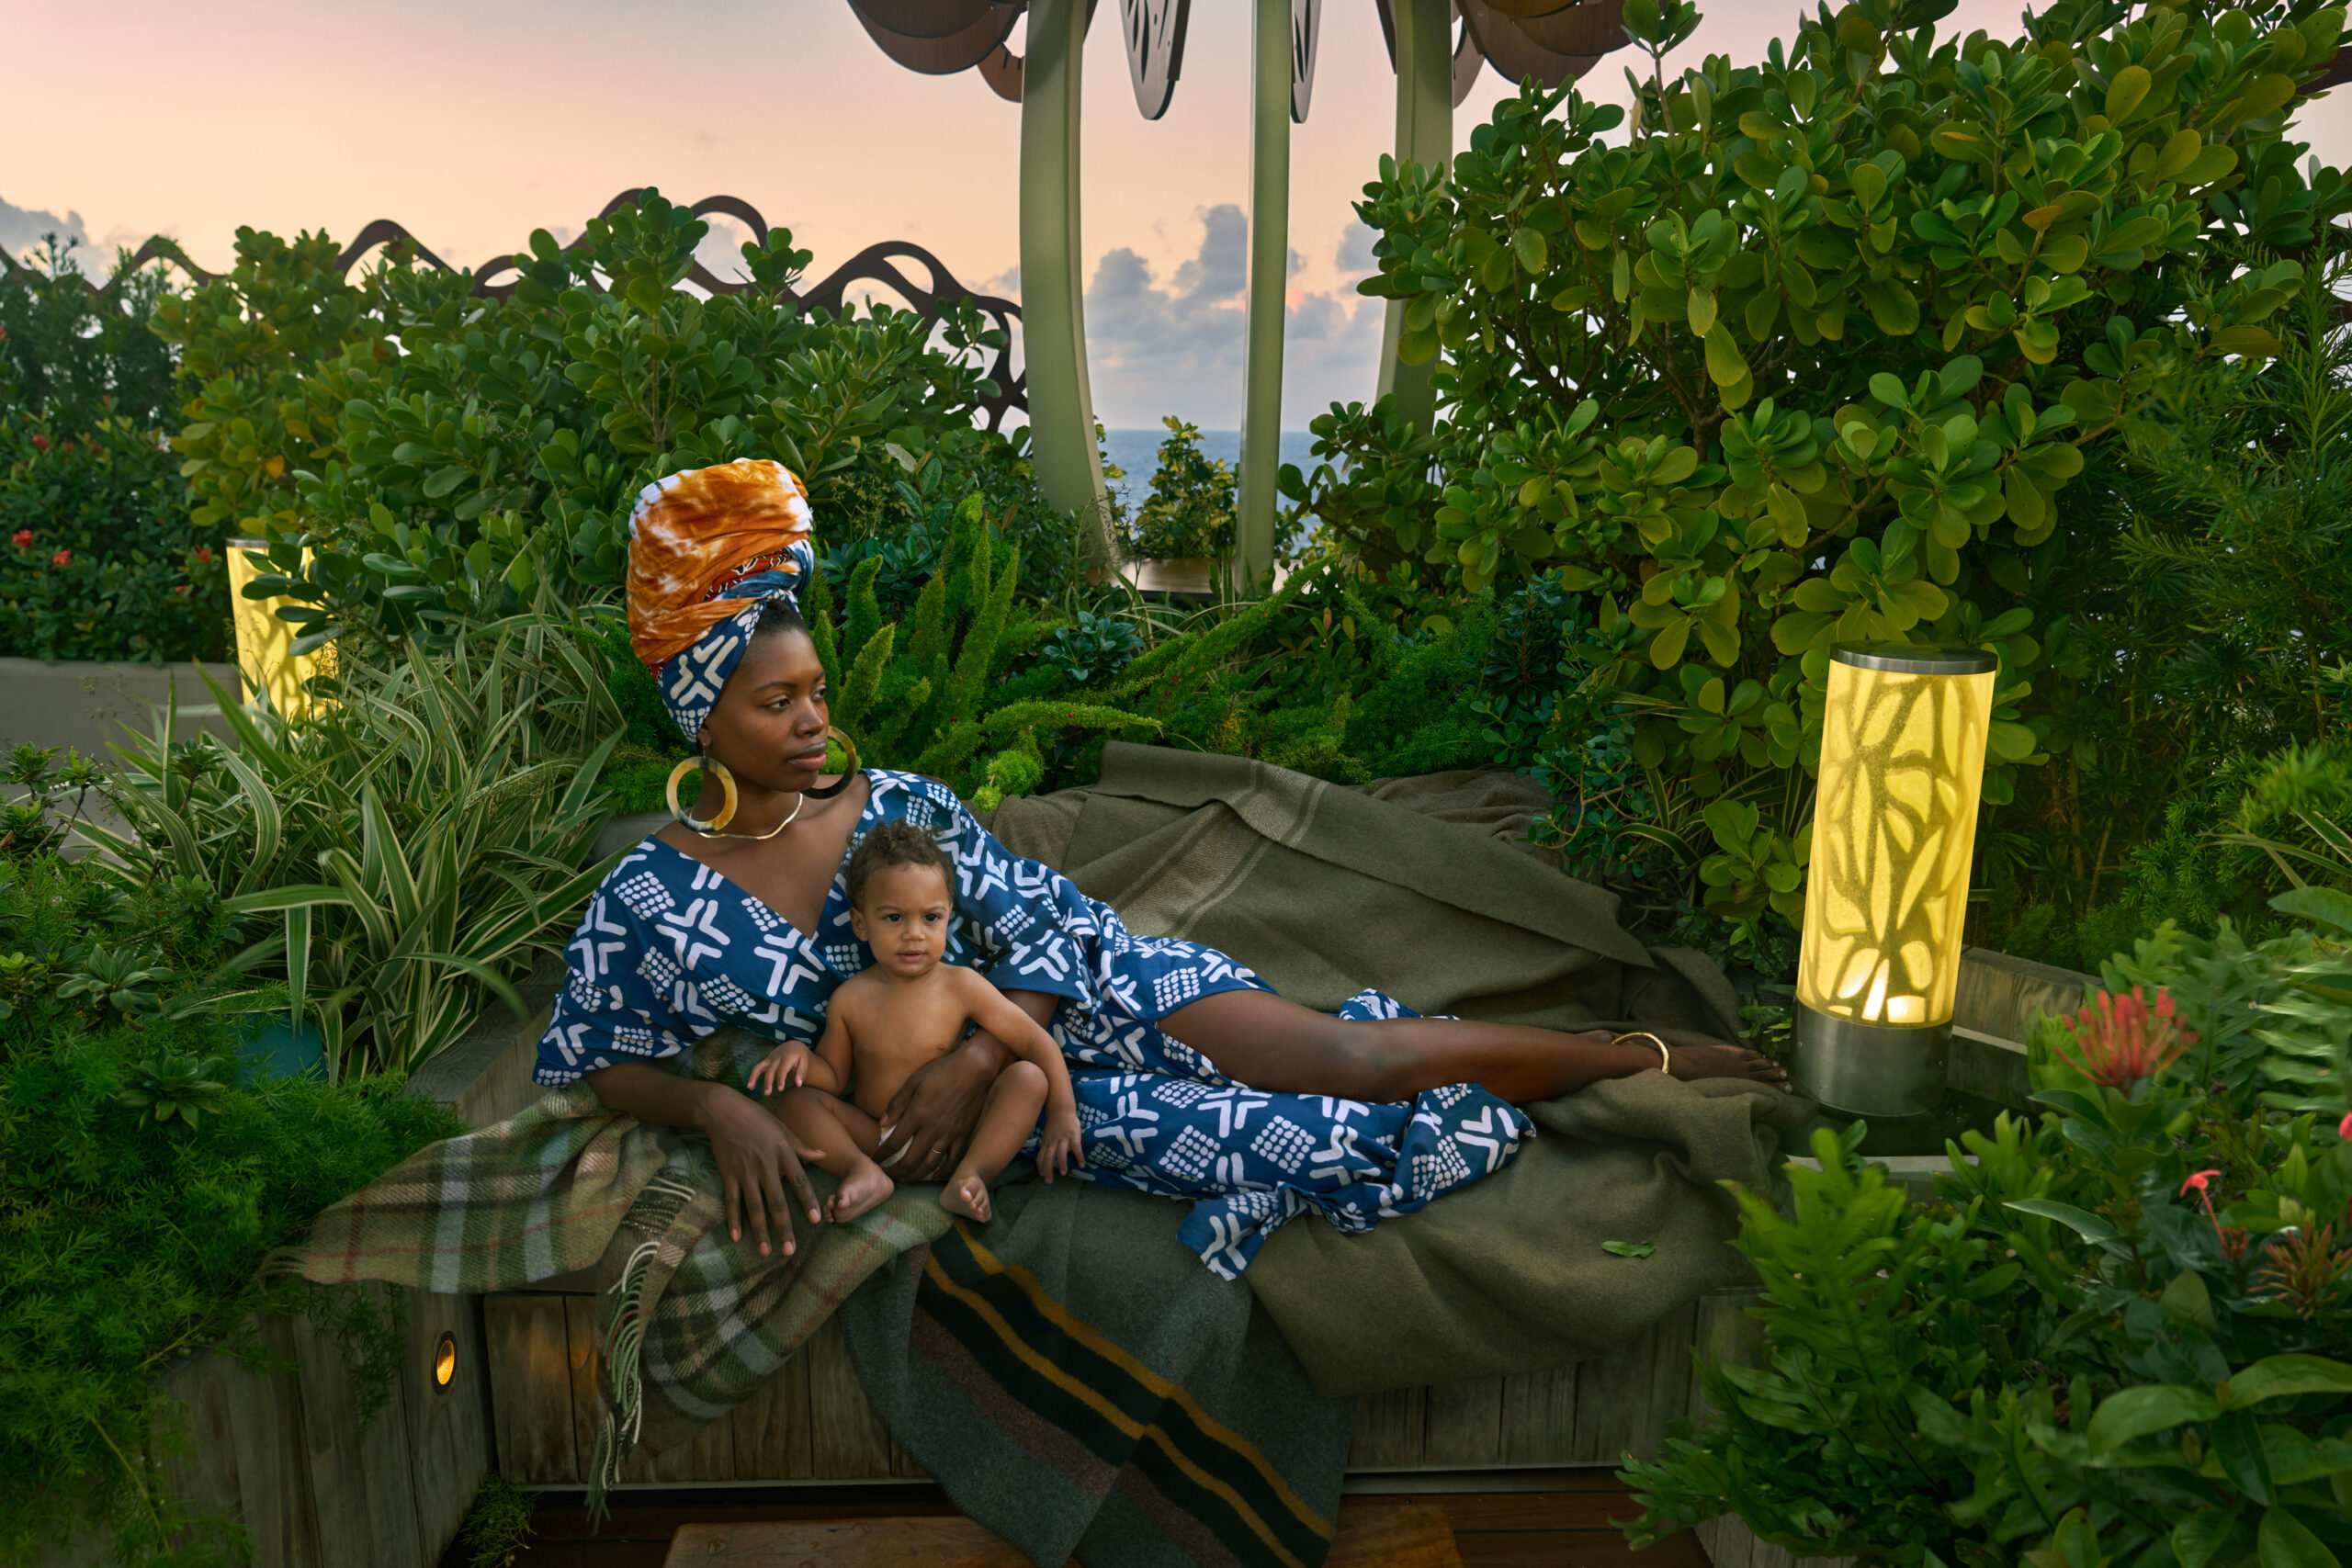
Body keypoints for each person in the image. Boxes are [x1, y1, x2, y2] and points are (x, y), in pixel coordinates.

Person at [537, 459, 1785, 1278]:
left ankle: (1637, 1059)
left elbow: (1055, 936)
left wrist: (981, 1053)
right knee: (1320, 1134)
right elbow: (601, 1056)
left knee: (1344, 1054)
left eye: (815, 691)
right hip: (1041, 1113)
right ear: (702, 719)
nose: (811, 722)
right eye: (773, 703)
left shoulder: (901, 805)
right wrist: (720, 1105)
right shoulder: (650, 899)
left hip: (1091, 999)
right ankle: (1540, 1079)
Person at [745, 821, 1085, 1225]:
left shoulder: (961, 985)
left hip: (958, 1137)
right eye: (893, 918)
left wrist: (1064, 1112)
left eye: (931, 918)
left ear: (947, 920)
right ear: (860, 924)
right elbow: (834, 1077)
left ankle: (971, 1177)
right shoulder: (850, 998)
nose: (914, 935)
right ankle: (862, 1171)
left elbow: (1034, 1040)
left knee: (1028, 1078)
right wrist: (799, 1054)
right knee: (797, 1103)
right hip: (877, 1139)